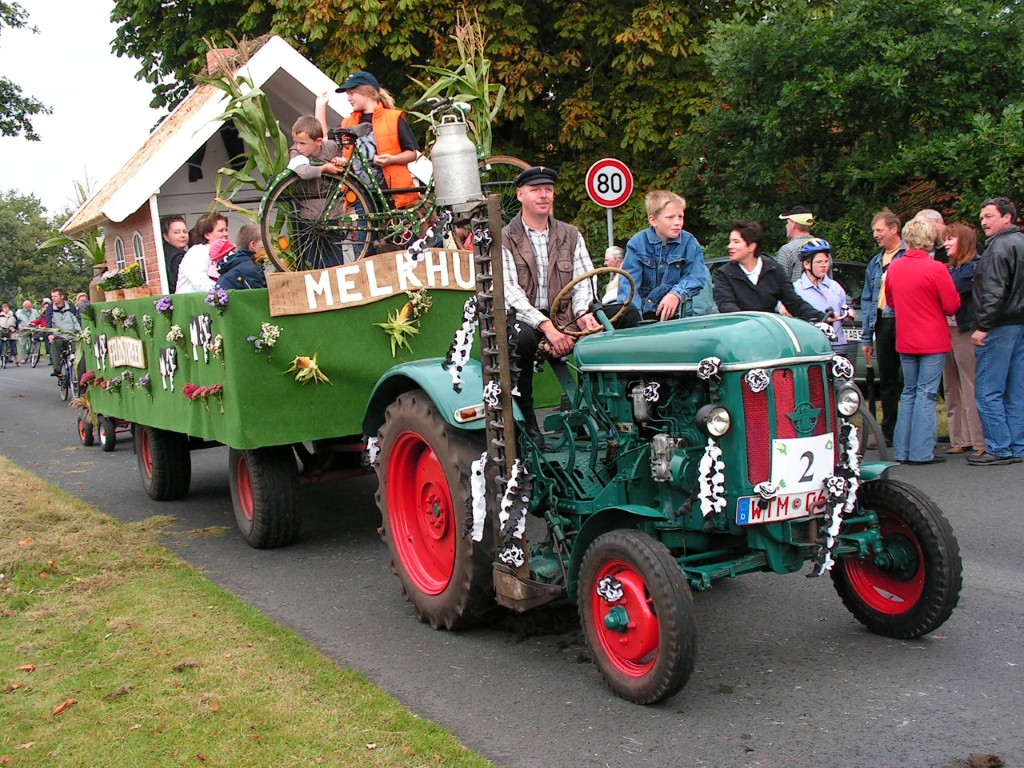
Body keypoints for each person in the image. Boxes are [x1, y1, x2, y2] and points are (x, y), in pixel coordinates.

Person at [502, 166, 619, 446]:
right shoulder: (505, 237)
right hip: (526, 318)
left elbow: (584, 280)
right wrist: (547, 327)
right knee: (520, 338)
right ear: (520, 195)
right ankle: (527, 424)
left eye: (548, 190)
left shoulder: (571, 234)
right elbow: (509, 292)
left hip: (566, 315)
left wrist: (582, 314)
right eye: (536, 190)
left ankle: (610, 412)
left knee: (624, 318)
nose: (544, 195)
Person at [884, 220, 960, 465]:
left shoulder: (895, 267)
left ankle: (902, 450)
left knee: (909, 392)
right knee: (926, 394)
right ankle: (921, 452)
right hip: (932, 338)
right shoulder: (936, 268)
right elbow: (952, 305)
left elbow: (891, 301)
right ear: (928, 240)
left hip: (906, 337)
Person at [969, 197, 1024, 465]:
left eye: (989, 216)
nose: (983, 221)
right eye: (982, 217)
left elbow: (994, 292)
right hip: (1019, 325)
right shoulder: (1020, 242)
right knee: (1016, 389)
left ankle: (999, 447)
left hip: (1000, 325)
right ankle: (1017, 446)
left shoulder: (998, 248)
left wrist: (983, 327)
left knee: (988, 389)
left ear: (1007, 217)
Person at [618, 190, 709, 321]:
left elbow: (697, 276)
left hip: (673, 317)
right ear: (653, 220)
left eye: (680, 217)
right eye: (670, 217)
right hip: (641, 316)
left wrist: (676, 294)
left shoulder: (689, 242)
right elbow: (629, 286)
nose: (677, 222)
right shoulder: (637, 243)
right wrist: (634, 319)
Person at [713, 220, 829, 321]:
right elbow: (726, 305)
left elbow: (794, 303)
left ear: (752, 246)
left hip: (769, 333)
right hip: (739, 333)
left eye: (736, 242)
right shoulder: (723, 274)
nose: (730, 246)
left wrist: (822, 317)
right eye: (730, 241)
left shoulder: (775, 270)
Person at [336, 71, 421, 209]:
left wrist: (391, 159)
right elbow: (345, 155)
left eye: (352, 93)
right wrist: (342, 161)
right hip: (362, 194)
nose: (349, 98)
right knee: (365, 223)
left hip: (392, 192)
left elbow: (412, 154)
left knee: (393, 223)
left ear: (367, 92)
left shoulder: (393, 118)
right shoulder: (347, 123)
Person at [861, 209, 907, 446]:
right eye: (874, 231)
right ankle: (888, 431)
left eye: (879, 230)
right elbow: (867, 299)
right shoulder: (875, 262)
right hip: (882, 323)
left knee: (909, 378)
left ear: (894, 229)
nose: (875, 235)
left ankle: (909, 431)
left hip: (905, 321)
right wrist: (866, 337)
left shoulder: (909, 256)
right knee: (887, 380)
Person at [941, 222, 986, 457]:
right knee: (951, 386)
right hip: (946, 331)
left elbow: (951, 290)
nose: (945, 244)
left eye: (951, 239)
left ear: (965, 241)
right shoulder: (951, 269)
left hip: (965, 330)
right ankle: (959, 438)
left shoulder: (974, 267)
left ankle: (979, 441)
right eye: (945, 239)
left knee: (969, 385)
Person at [793, 239, 855, 358]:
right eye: (819, 262)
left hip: (838, 347)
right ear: (807, 264)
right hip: (810, 349)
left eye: (826, 261)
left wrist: (849, 312)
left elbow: (844, 308)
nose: (824, 265)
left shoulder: (835, 287)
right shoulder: (796, 289)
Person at [176, 213, 229, 294]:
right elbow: (201, 282)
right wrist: (225, 292)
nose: (226, 234)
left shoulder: (229, 254)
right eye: (221, 231)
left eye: (226, 230)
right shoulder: (197, 252)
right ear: (207, 235)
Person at [216, 224, 268, 290]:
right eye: (265, 242)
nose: (268, 247)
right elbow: (260, 295)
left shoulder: (235, 264)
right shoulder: (251, 269)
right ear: (253, 245)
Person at [45, 288, 82, 378]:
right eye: (52, 296)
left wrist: (80, 332)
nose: (53, 298)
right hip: (58, 335)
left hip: (71, 335)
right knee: (55, 345)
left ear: (62, 297)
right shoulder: (50, 308)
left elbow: (76, 320)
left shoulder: (70, 307)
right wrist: (50, 334)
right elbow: (48, 322)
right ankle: (57, 369)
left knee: (79, 350)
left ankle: (80, 373)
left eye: (55, 296)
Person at [773, 205, 817, 283]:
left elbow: (780, 283)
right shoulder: (823, 248)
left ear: (793, 224)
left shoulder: (787, 250)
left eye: (787, 222)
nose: (786, 226)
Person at [161, 215, 190, 292]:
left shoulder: (163, 252)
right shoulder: (178, 258)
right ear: (166, 237)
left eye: (185, 231)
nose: (183, 235)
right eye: (177, 232)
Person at [14, 299, 39, 364]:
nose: (29, 308)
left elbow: (38, 319)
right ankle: (23, 358)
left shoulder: (34, 311)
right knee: (23, 344)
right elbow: (16, 321)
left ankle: (33, 356)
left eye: (30, 306)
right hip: (24, 329)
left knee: (34, 342)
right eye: (28, 307)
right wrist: (19, 326)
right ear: (24, 306)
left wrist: (37, 325)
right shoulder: (19, 312)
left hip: (33, 329)